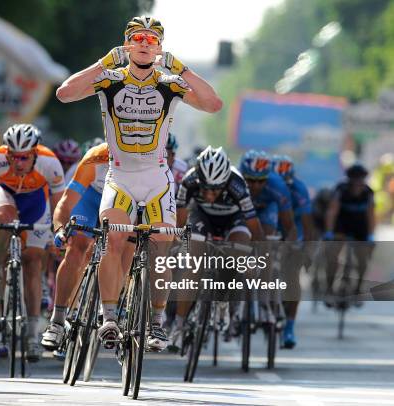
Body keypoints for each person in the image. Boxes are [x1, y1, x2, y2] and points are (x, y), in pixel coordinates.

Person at [55, 15, 222, 351]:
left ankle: (157, 322)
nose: (145, 44)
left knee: (161, 247)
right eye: (138, 38)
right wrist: (104, 62)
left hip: (156, 179)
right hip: (120, 176)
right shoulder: (111, 79)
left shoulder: (168, 82)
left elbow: (213, 104)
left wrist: (183, 69)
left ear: (159, 46)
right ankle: (110, 318)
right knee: (113, 241)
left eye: (152, 40)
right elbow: (65, 93)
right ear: (127, 43)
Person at [0, 123, 65, 361]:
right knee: (5, 218)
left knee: (33, 261)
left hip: (36, 204)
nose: (18, 163)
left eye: (24, 158)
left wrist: (59, 233)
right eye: (13, 157)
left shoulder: (50, 163)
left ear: (35, 153)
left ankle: (33, 335)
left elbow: (59, 205)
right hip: (5, 196)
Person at [172, 146, 263, 349]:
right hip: (203, 217)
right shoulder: (189, 180)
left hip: (234, 219)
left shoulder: (237, 184)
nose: (210, 193)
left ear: (225, 182)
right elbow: (180, 219)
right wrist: (179, 245)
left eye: (215, 189)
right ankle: (178, 324)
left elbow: (253, 223)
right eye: (205, 188)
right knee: (191, 268)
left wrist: (258, 254)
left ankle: (223, 302)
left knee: (237, 254)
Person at [41, 142, 110, 350]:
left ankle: (113, 308)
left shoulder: (144, 160)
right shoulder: (95, 158)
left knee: (125, 243)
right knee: (77, 245)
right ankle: (58, 321)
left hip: (121, 201)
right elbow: (65, 202)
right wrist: (60, 229)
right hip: (90, 198)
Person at [271, 154, 315, 348]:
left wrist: (307, 249)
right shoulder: (266, 186)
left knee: (292, 278)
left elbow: (307, 224)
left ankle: (289, 325)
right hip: (270, 227)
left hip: (292, 233)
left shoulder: (299, 189)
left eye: (286, 184)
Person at [323, 163, 375, 302]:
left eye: (361, 179)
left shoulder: (368, 193)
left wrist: (371, 234)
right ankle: (329, 289)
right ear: (349, 179)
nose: (358, 183)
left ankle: (358, 288)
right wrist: (329, 232)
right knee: (333, 257)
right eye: (354, 179)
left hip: (360, 226)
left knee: (363, 260)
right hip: (341, 224)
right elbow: (332, 211)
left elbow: (371, 215)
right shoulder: (341, 190)